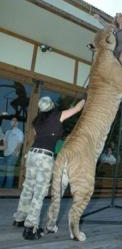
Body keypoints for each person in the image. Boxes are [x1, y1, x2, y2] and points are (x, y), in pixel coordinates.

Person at [13, 96, 85, 240]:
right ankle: (30, 228)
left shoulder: (36, 121)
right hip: (44, 158)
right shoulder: (58, 116)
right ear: (51, 106)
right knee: (39, 193)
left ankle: (19, 218)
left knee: (28, 187)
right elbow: (77, 109)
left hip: (32, 155)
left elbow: (39, 136)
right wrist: (84, 98)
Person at [2, 118, 23, 188]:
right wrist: (4, 147)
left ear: (17, 123)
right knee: (2, 172)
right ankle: (1, 188)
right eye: (11, 120)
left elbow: (20, 143)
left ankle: (7, 190)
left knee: (9, 173)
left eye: (14, 121)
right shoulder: (8, 132)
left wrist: (15, 152)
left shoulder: (19, 132)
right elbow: (5, 142)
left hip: (12, 155)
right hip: (6, 154)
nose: (12, 122)